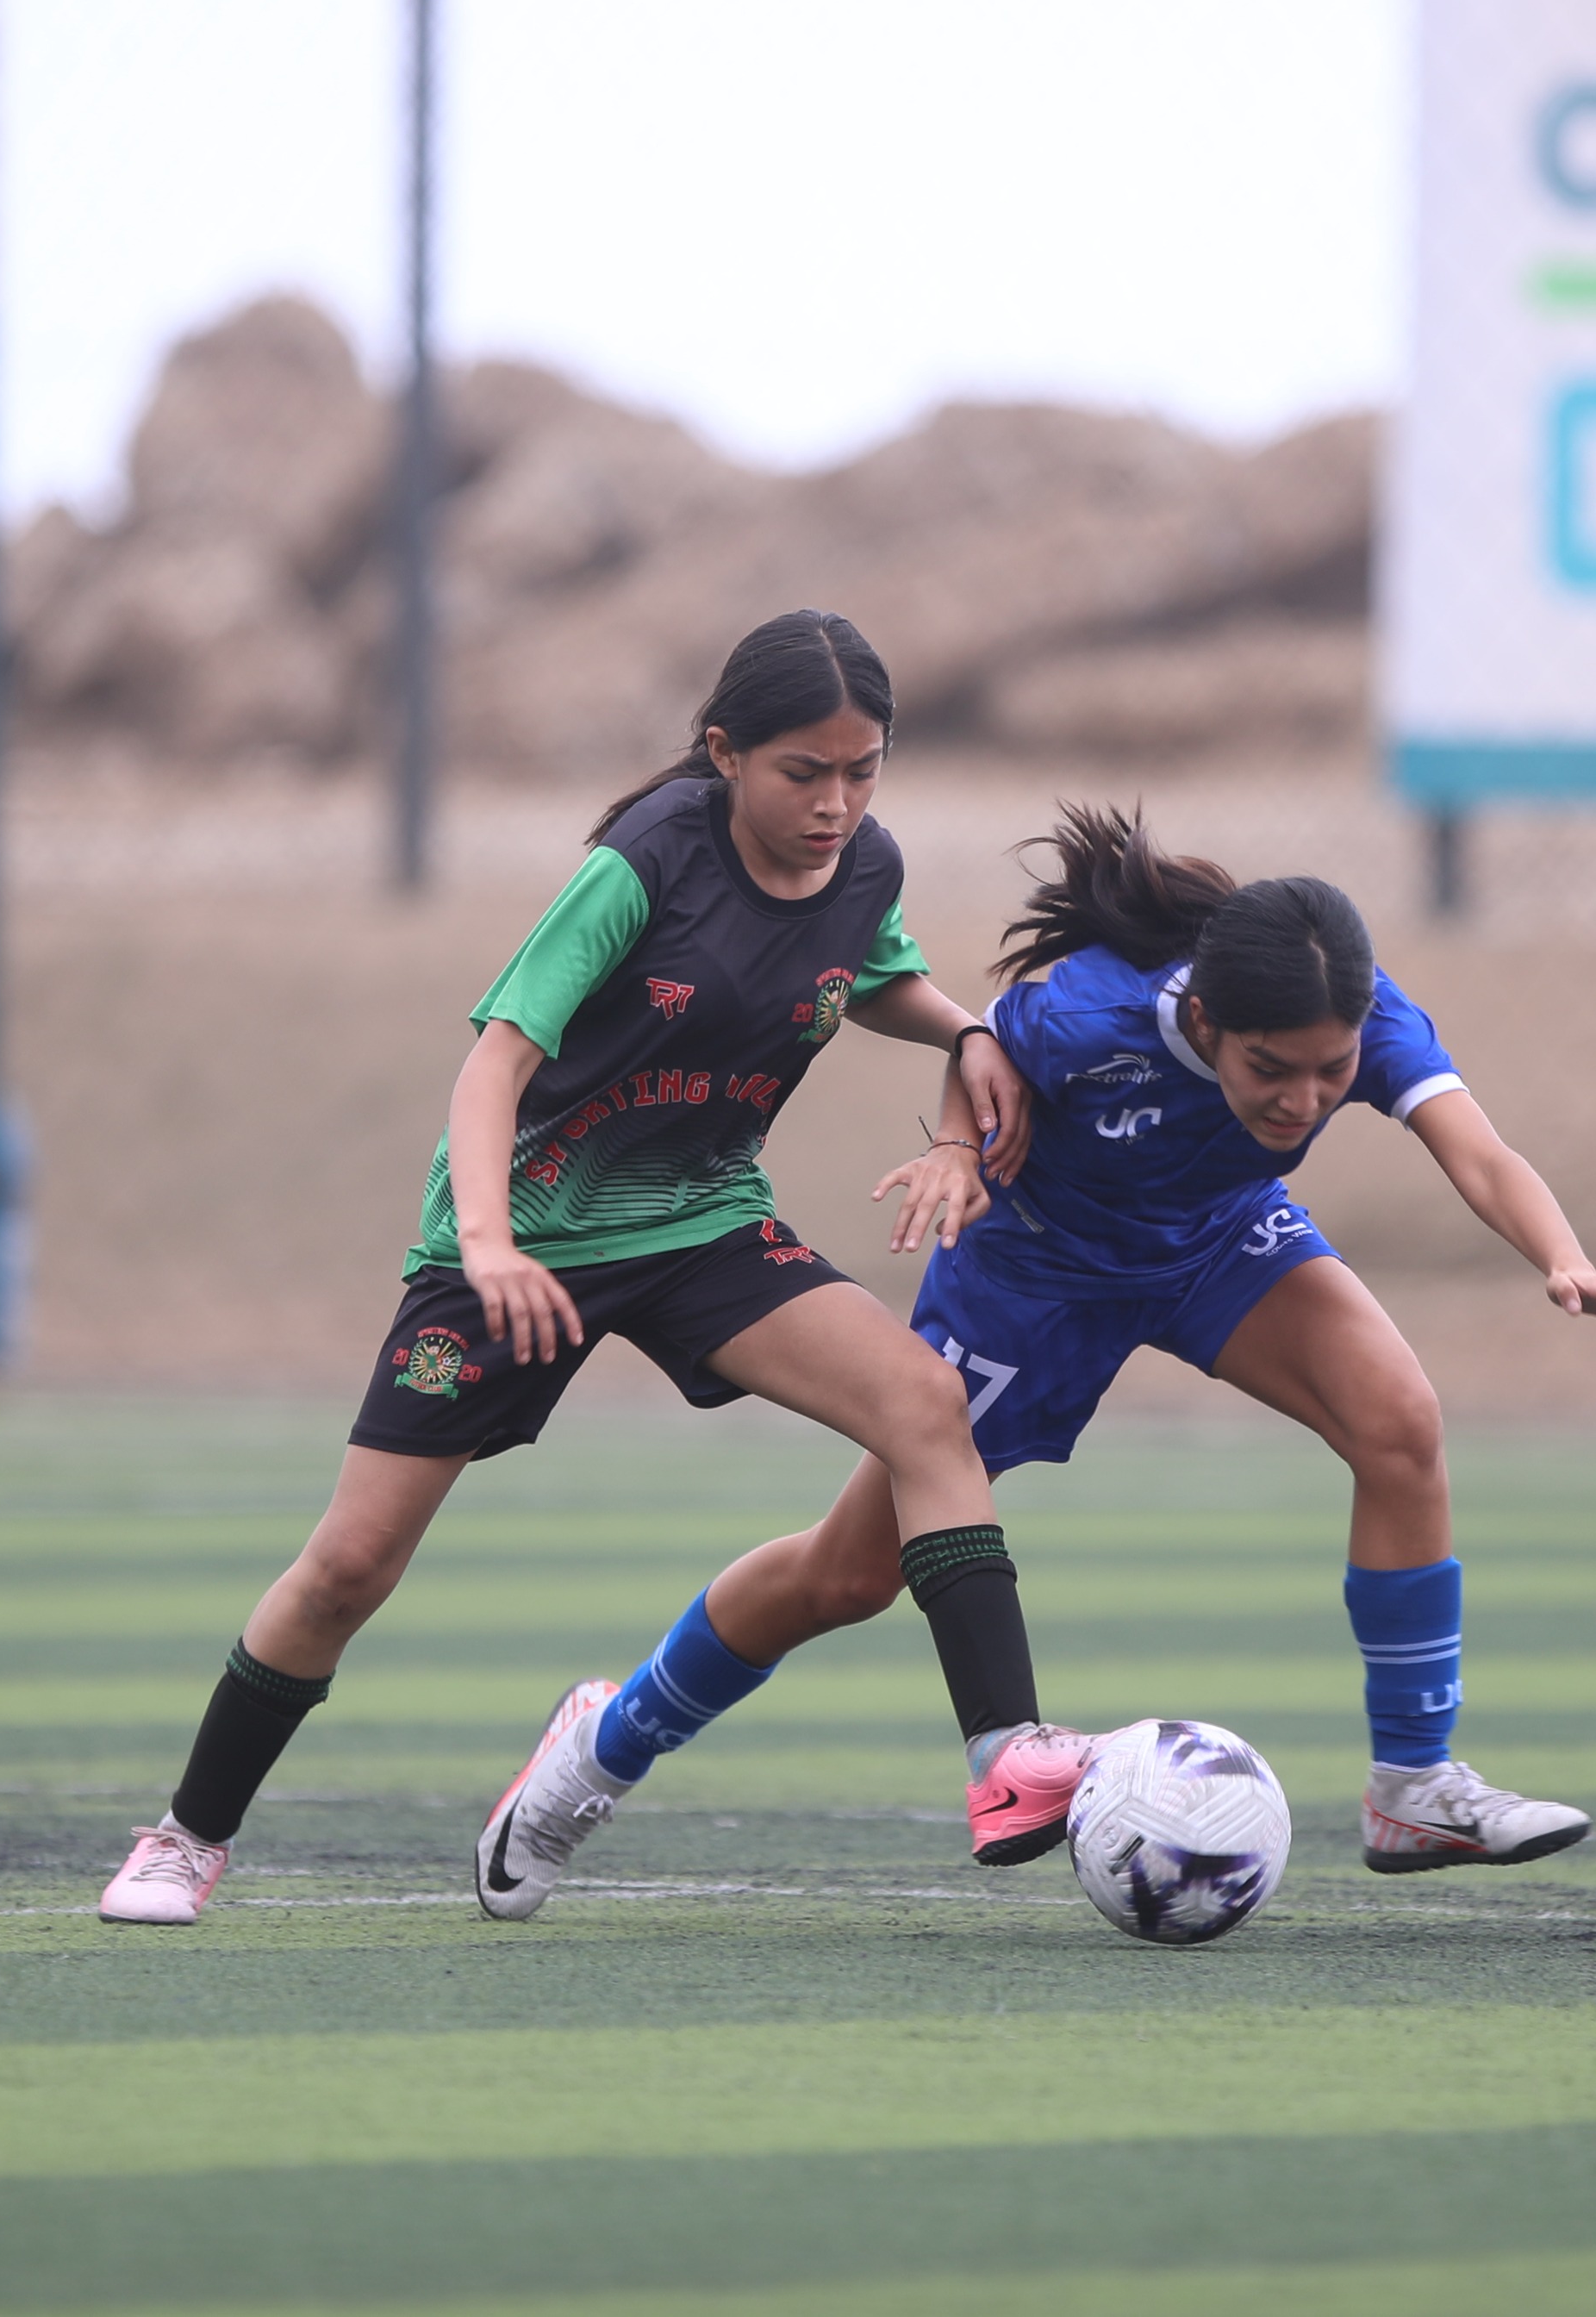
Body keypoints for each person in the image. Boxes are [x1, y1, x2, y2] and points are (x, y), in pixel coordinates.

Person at [475, 803, 1596, 1918]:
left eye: (1332, 1071)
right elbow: (979, 1049)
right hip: (1030, 1276)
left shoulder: (1364, 1018)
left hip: (1214, 1241)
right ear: (1205, 1017)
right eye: (1275, 1070)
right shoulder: (1094, 1016)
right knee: (846, 1577)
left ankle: (1414, 1787)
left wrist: (1563, 1257)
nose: (1308, 1098)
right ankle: (606, 1734)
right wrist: (955, 1146)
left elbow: (1478, 1150)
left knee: (1400, 1422)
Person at [100, 609, 1090, 1926]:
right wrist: (492, 1242)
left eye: (865, 771)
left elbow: (872, 977)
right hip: (526, 1239)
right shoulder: (644, 862)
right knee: (349, 1568)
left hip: (702, 1221)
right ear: (726, 752)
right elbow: (496, 1058)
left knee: (924, 1405)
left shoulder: (865, 865)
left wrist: (964, 1030)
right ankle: (187, 1834)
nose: (837, 803)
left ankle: (1004, 1758)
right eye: (806, 772)